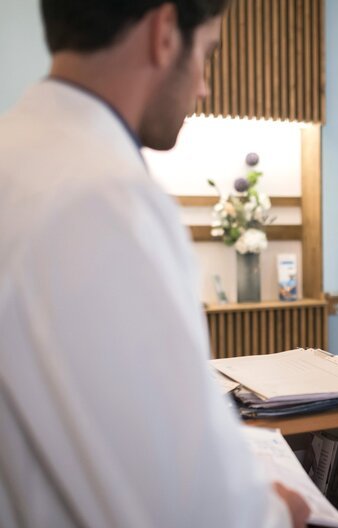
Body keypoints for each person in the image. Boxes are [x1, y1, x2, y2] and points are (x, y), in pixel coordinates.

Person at [0, 1, 307, 527]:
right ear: (165, 32)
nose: (204, 86)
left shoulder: (18, 152)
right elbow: (182, 504)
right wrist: (275, 510)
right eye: (207, 53)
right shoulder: (104, 196)